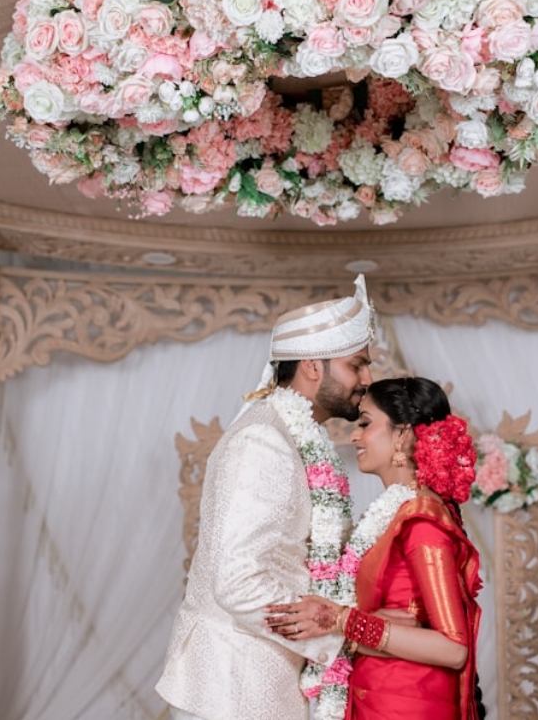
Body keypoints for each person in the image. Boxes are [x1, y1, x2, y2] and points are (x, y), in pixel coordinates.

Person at [156, 275, 376, 720]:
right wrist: (340, 636)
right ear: (313, 366)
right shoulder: (264, 440)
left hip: (260, 680)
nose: (368, 379)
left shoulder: (293, 435)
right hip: (234, 687)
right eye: (357, 364)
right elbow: (239, 580)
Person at [265, 377, 483, 720]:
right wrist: (351, 628)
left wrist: (342, 620)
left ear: (402, 434)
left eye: (365, 423)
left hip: (407, 704)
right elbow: (381, 626)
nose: (355, 436)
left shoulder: (422, 523)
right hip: (380, 696)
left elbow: (453, 648)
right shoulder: (396, 516)